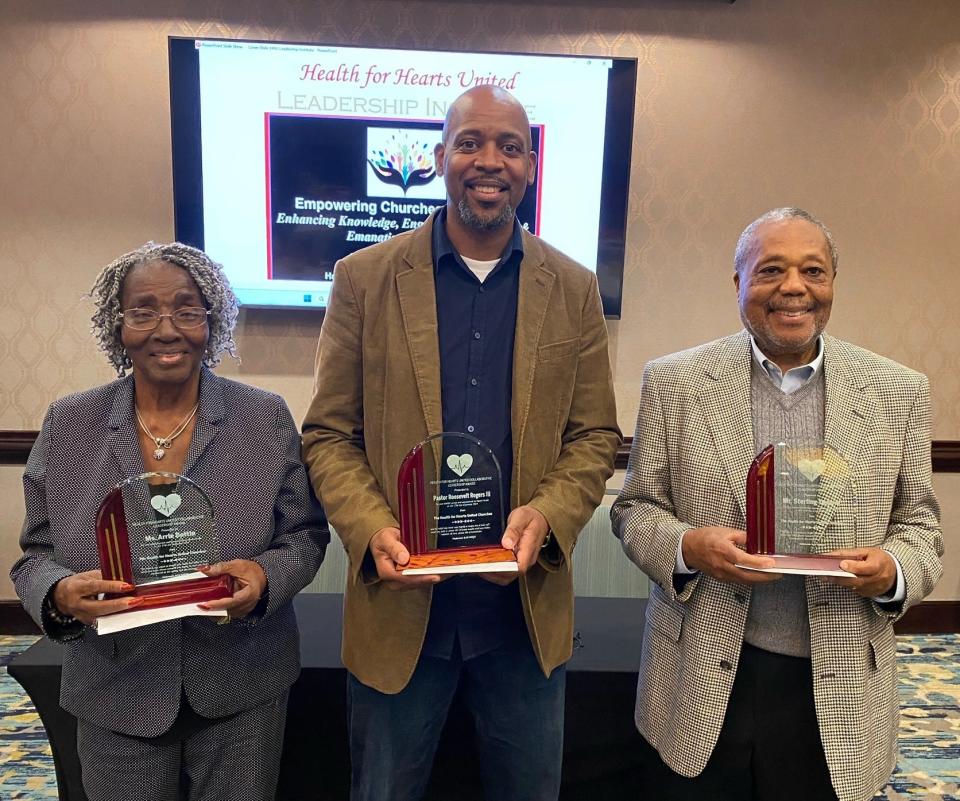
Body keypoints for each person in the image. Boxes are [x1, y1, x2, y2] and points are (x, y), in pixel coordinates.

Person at [302, 85, 620, 801]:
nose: (489, 161)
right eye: (471, 142)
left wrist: (546, 517)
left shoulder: (573, 288)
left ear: (530, 166)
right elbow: (328, 432)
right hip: (400, 609)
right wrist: (373, 527)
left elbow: (596, 433)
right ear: (440, 156)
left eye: (509, 146)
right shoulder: (365, 278)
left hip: (522, 615)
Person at [611, 207, 943, 801]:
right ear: (738, 282)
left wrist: (892, 571)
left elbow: (920, 525)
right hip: (702, 672)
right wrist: (687, 546)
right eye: (770, 270)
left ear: (833, 284)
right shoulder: (674, 381)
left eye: (813, 271)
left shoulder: (899, 390)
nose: (793, 288)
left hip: (839, 677)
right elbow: (634, 508)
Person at [11, 242, 328, 801]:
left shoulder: (263, 416)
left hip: (242, 682)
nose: (167, 329)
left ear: (213, 320)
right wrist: (59, 592)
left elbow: (304, 535)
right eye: (144, 311)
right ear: (118, 323)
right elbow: (34, 556)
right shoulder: (70, 423)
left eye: (187, 310)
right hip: (115, 685)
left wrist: (264, 578)